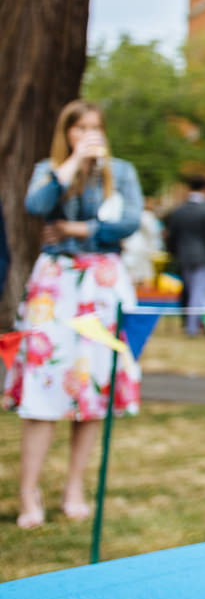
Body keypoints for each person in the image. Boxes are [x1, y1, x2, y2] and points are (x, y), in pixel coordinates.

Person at [9, 101, 144, 529]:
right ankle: (28, 491)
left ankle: (74, 486)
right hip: (57, 283)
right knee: (45, 382)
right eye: (79, 128)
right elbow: (36, 205)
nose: (88, 135)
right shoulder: (48, 170)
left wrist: (77, 229)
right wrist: (70, 165)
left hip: (103, 282)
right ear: (66, 132)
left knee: (92, 387)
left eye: (95, 128)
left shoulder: (120, 172)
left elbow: (129, 221)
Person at [163, 176, 205, 337]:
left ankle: (202, 325)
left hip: (184, 256)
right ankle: (194, 327)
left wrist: (174, 253)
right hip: (203, 257)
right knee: (199, 292)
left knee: (194, 291)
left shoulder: (179, 210)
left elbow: (172, 236)